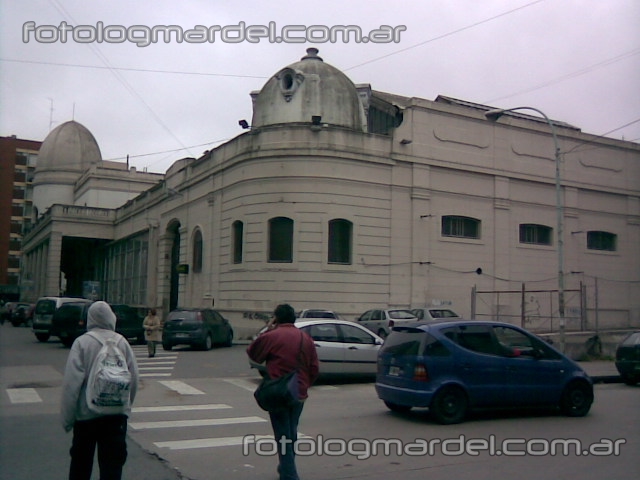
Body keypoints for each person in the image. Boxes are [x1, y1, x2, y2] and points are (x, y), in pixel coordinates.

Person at [61, 301, 139, 480]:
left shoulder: (82, 343)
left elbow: (71, 385)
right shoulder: (122, 342)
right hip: (115, 416)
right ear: (111, 317)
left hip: (85, 416)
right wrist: (125, 407)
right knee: (112, 467)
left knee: (81, 465)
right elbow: (133, 379)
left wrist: (67, 419)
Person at [247, 304, 319, 480]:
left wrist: (268, 330)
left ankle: (289, 475)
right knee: (291, 432)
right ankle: (285, 468)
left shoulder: (272, 336)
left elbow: (253, 354)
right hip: (298, 392)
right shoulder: (305, 338)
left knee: (282, 436)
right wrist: (304, 384)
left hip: (278, 392)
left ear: (276, 318)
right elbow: (314, 368)